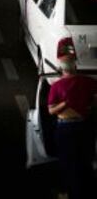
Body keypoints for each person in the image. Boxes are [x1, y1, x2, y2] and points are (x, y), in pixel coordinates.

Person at [48, 57, 97, 199]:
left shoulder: (56, 86)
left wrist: (65, 104)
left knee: (68, 162)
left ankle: (69, 193)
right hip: (84, 126)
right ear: (75, 66)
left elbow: (51, 111)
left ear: (61, 69)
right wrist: (89, 106)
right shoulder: (88, 81)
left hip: (65, 129)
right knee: (85, 160)